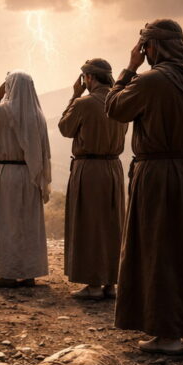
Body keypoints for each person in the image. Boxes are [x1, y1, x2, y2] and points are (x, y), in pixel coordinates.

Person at [105, 19, 183, 354]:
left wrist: (130, 68)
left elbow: (114, 108)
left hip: (158, 173)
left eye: (145, 46)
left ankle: (167, 335)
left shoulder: (151, 80)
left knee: (160, 249)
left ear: (151, 47)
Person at [58, 58, 127, 300]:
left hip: (89, 169)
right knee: (111, 225)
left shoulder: (84, 103)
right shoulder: (120, 100)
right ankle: (111, 283)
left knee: (89, 224)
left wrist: (74, 96)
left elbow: (65, 128)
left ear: (88, 77)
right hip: (114, 168)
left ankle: (94, 284)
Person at [0, 71, 51, 287]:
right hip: (30, 175)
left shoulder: (0, 111)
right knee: (28, 224)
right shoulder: (38, 116)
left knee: (6, 223)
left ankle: (7, 273)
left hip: (6, 174)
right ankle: (29, 273)